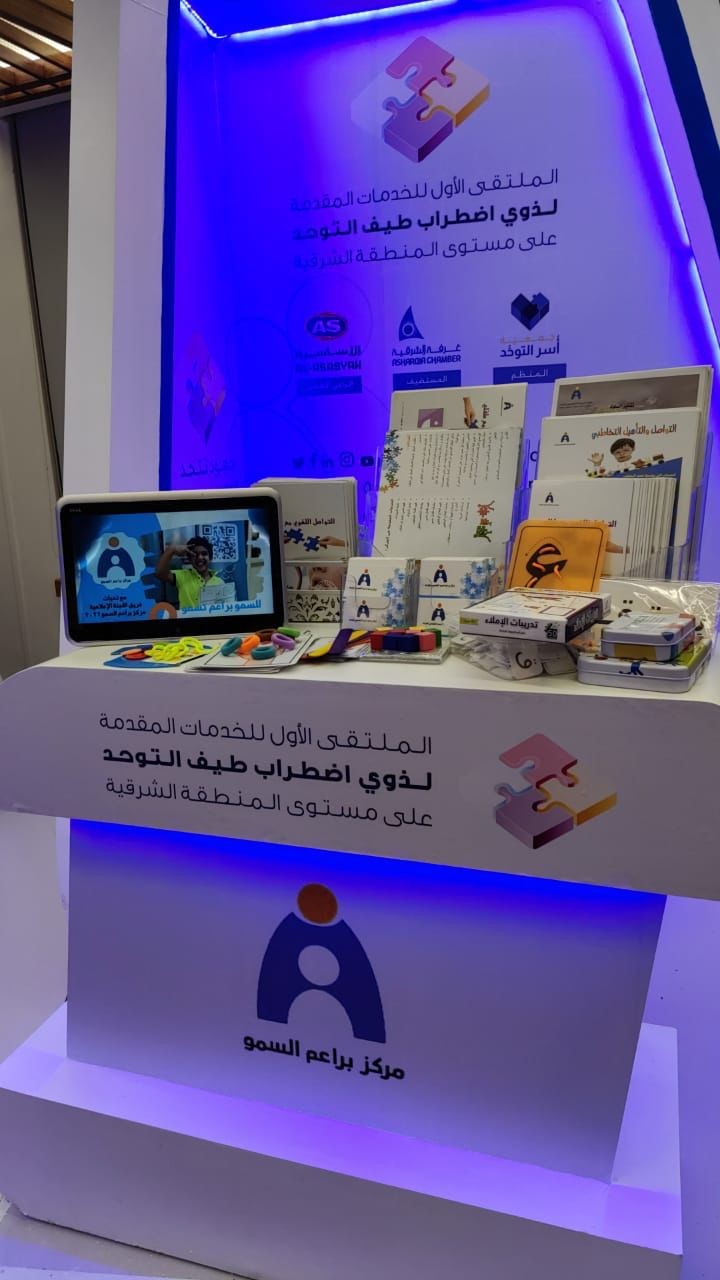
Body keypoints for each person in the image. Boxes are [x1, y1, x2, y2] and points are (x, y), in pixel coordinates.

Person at [154, 535, 224, 610]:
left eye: (204, 554)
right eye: (195, 554)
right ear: (190, 559)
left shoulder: (220, 582)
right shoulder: (182, 576)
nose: (200, 557)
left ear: (210, 558)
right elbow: (160, 573)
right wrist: (172, 550)